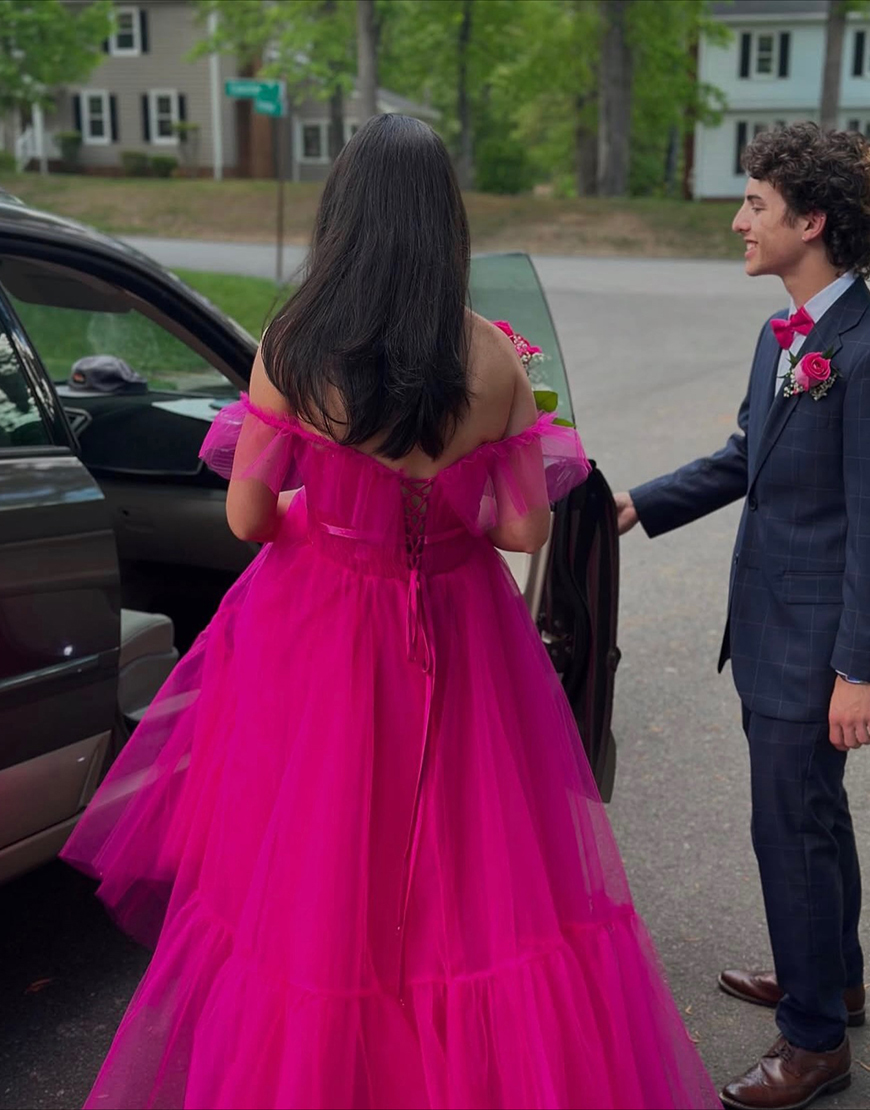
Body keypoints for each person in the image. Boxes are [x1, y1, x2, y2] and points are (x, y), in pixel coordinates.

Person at [62, 114, 719, 1110]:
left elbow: (245, 517)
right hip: (462, 632)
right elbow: (524, 535)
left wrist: (316, 513)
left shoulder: (296, 345)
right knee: (463, 872)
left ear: (348, 218)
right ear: (442, 225)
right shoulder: (492, 358)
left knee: (316, 867)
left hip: (318, 630)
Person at [616, 121, 870, 1110]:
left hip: (817, 643)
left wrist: (858, 667)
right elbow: (741, 456)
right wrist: (635, 503)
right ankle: (832, 980)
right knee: (812, 821)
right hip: (781, 627)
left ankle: (813, 1045)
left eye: (756, 204)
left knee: (789, 830)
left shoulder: (858, 349)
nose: (736, 221)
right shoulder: (791, 333)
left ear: (812, 220)